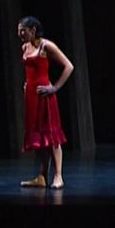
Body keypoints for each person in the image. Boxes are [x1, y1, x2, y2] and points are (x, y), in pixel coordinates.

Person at [17, 16, 74, 189]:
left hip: (45, 97)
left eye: (23, 31)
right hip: (32, 98)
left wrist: (55, 88)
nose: (19, 34)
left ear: (33, 30)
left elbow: (69, 66)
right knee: (38, 138)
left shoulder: (46, 46)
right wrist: (27, 84)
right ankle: (42, 177)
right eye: (18, 31)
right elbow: (30, 72)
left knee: (51, 136)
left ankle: (58, 176)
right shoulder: (25, 46)